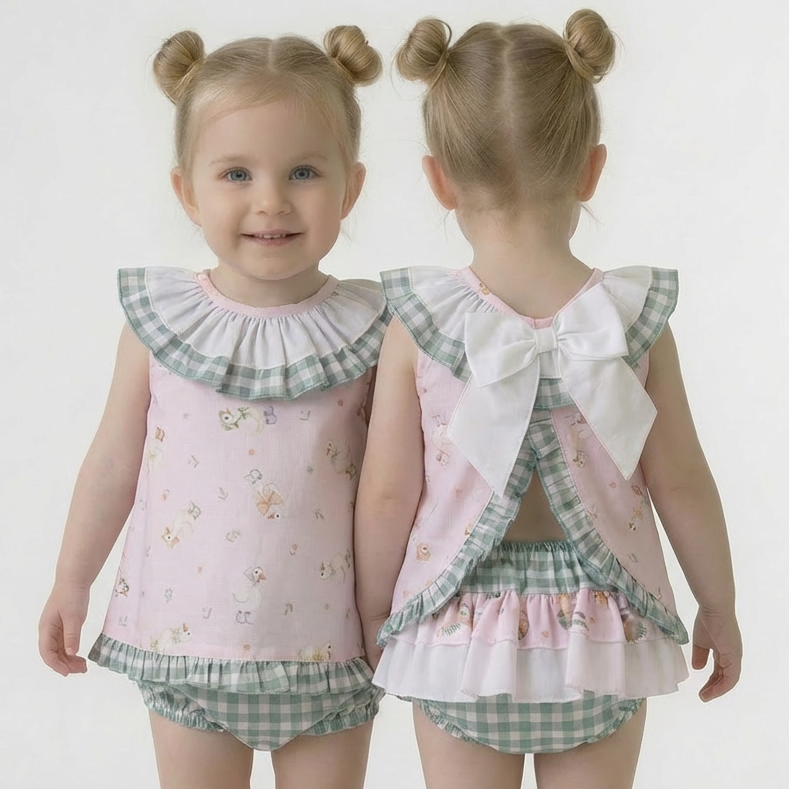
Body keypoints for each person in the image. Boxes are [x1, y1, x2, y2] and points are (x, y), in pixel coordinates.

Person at [354, 10, 742, 789]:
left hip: (457, 633)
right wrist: (717, 604)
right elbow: (679, 480)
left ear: (438, 178)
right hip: (601, 631)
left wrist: (369, 612)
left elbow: (389, 490)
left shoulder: (421, 326)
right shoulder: (628, 321)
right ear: (591, 169)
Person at [38, 26, 386, 789]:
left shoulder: (376, 329)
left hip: (334, 649)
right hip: (186, 640)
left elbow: (403, 484)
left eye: (303, 171)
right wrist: (72, 578)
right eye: (236, 173)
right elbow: (113, 461)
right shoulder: (161, 322)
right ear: (188, 190)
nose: (270, 200)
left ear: (350, 187)